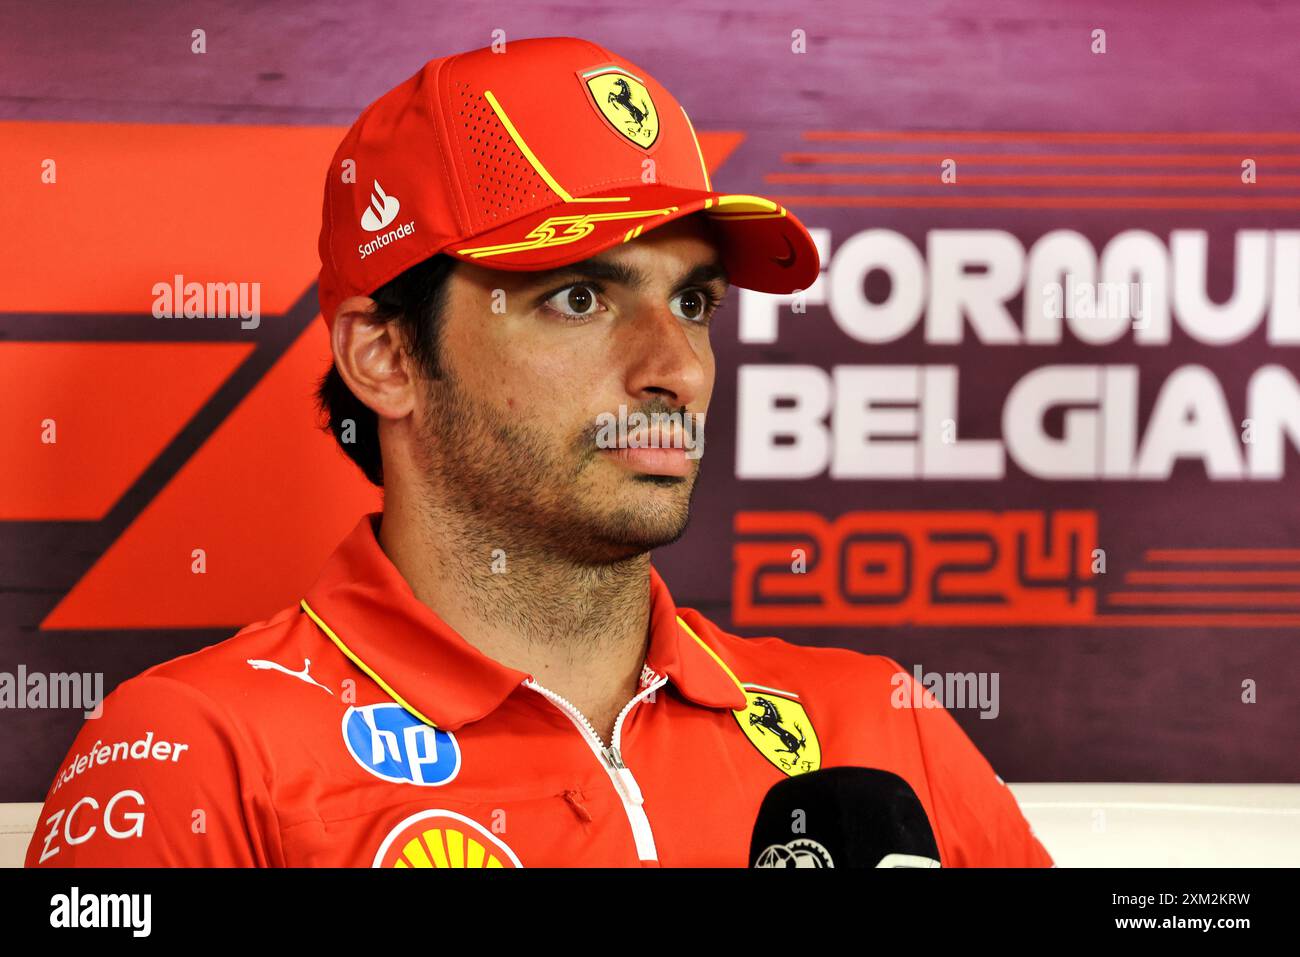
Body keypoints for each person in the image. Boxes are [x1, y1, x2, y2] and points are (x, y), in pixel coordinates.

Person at [26, 36, 1052, 868]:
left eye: (693, 302)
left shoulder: (877, 725)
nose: (676, 369)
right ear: (386, 357)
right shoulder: (198, 754)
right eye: (579, 297)